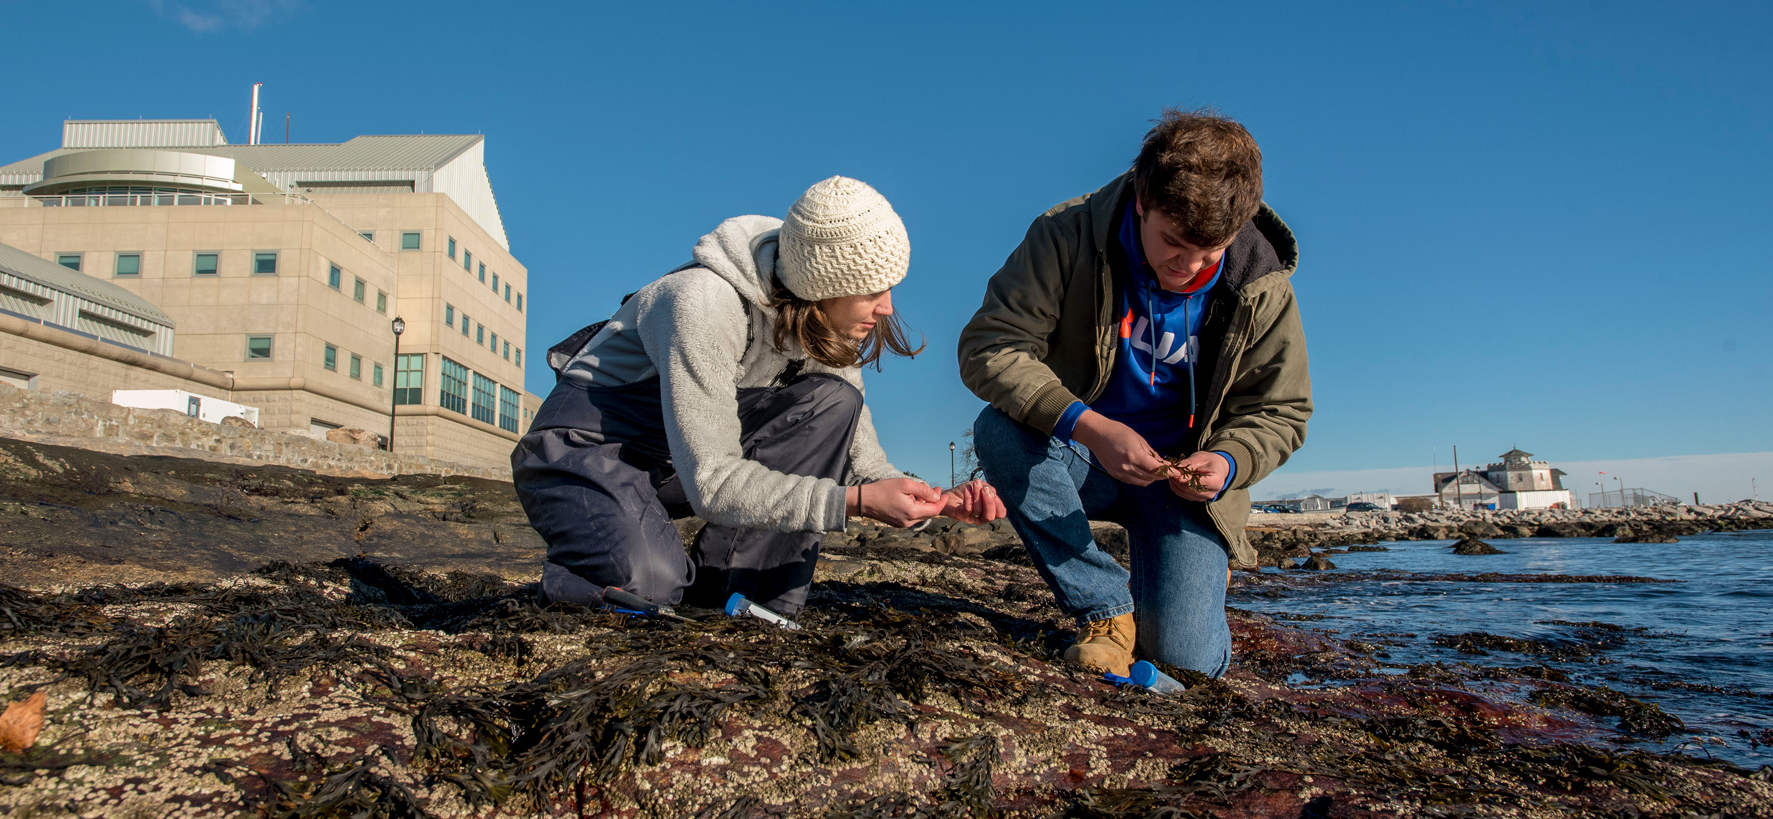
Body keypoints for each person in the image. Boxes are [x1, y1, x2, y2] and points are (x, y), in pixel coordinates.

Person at [515, 176, 1005, 618]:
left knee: (834, 401)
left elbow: (864, 463)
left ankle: (740, 595)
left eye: (890, 287)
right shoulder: (700, 303)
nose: (887, 308)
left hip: (677, 463)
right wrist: (851, 504)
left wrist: (938, 503)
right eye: (870, 290)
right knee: (650, 586)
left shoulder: (830, 328)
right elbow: (711, 482)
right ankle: (584, 572)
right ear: (822, 285)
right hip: (586, 451)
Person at [957, 110, 1310, 677]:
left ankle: (1189, 577)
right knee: (998, 429)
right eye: (1173, 243)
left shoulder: (1261, 284)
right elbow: (989, 348)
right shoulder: (1065, 234)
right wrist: (1090, 426)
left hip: (1185, 489)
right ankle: (1106, 608)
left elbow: (1281, 410)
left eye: (1210, 252)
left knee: (1188, 664)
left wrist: (1226, 461)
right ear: (1142, 201)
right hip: (1082, 457)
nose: (1189, 267)